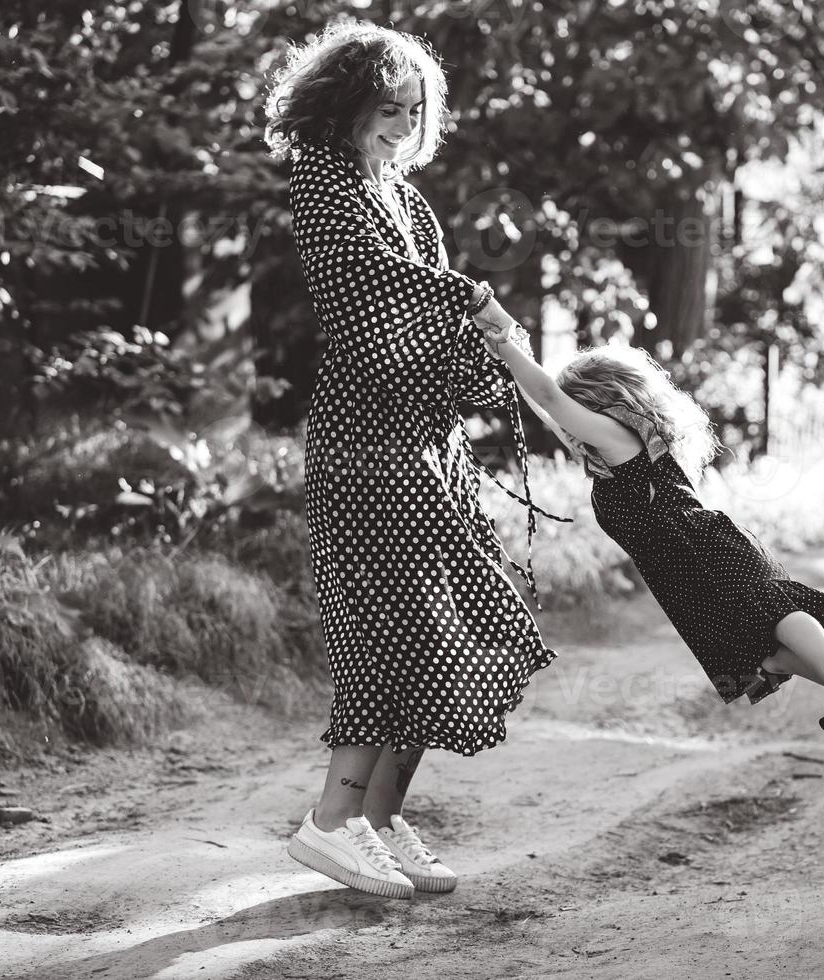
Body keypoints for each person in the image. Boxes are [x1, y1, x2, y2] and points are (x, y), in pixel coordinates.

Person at [263, 19, 558, 900]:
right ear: (343, 104)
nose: (398, 124)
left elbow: (436, 330)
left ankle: (377, 822)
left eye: (413, 109)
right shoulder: (324, 187)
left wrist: (486, 355)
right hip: (365, 449)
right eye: (384, 107)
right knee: (390, 638)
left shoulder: (403, 196)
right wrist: (474, 303)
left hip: (428, 448)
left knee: (454, 634)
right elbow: (370, 291)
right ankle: (329, 824)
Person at [478, 325, 824, 756]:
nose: (566, 421)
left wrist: (512, 352)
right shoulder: (604, 451)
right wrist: (508, 346)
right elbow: (546, 406)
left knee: (772, 611)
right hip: (681, 571)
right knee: (763, 658)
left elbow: (548, 398)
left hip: (698, 547)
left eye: (575, 408)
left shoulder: (618, 439)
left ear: (597, 401)